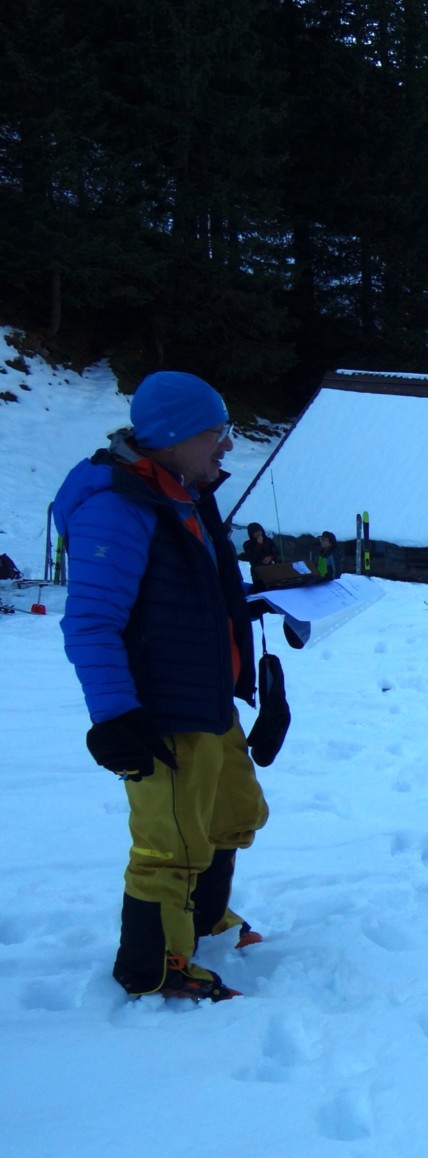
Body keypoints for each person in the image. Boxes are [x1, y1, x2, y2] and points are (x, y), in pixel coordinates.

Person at [52, 371, 270, 1001]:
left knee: (233, 815)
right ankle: (156, 967)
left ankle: (202, 920)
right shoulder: (118, 506)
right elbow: (91, 622)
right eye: (216, 431)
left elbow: (196, 594)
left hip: (208, 697)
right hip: (161, 712)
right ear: (174, 436)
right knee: (168, 843)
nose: (227, 444)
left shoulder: (184, 493)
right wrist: (116, 717)